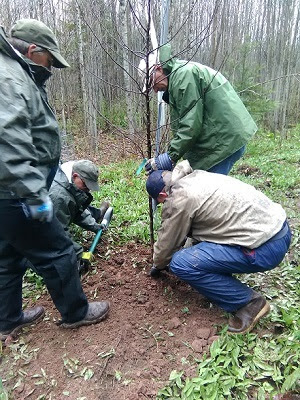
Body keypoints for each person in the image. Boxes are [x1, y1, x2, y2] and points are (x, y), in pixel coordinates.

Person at [0, 19, 109, 341]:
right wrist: (34, 195)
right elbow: (8, 143)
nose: (50, 67)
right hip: (16, 192)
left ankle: (8, 319)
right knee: (59, 252)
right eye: (49, 59)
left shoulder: (13, 73)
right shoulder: (9, 78)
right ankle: (76, 313)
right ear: (33, 51)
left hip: (8, 193)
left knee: (7, 256)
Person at [145, 161, 291, 334]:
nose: (162, 205)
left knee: (181, 263)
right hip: (279, 228)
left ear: (162, 194)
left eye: (160, 202)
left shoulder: (179, 199)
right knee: (195, 249)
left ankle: (249, 304)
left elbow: (165, 248)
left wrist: (158, 264)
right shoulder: (195, 176)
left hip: (265, 248)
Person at [141, 44, 257, 176]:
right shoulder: (179, 75)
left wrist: (170, 156)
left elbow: (190, 125)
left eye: (151, 81)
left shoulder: (183, 77)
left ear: (159, 68)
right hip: (220, 138)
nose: (155, 90)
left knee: (209, 190)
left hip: (223, 141)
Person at [49, 159, 110, 265]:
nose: (88, 190)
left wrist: (95, 226)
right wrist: (79, 253)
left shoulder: (69, 183)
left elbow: (76, 210)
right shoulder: (59, 196)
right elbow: (57, 233)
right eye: (86, 185)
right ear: (75, 176)